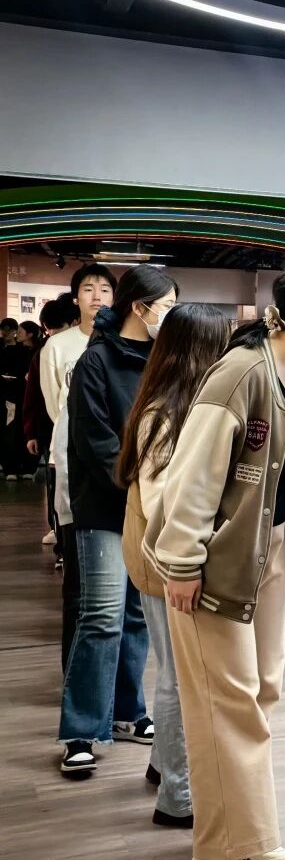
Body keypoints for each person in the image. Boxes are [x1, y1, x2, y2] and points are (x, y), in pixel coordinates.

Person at [150, 261, 285, 860]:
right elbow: (192, 476)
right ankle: (250, 846)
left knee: (261, 691)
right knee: (231, 703)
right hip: (215, 559)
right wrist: (183, 564)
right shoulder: (241, 371)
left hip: (263, 550)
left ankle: (232, 840)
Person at [58, 264, 177, 775]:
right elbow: (95, 440)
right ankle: (81, 729)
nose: (169, 315)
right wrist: (140, 485)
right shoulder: (96, 361)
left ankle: (129, 712)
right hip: (107, 505)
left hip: (150, 506)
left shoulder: (164, 359)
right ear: (139, 307)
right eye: (165, 306)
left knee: (136, 616)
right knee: (102, 615)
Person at [117, 303, 230, 828]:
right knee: (179, 678)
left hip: (158, 558)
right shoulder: (166, 411)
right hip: (163, 563)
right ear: (199, 351)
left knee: (173, 671)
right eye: (220, 343)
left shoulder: (175, 402)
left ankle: (163, 765)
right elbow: (162, 499)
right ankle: (177, 799)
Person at [43, 265, 116, 633]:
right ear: (76, 298)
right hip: (69, 457)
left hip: (112, 460)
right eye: (88, 289)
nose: (97, 296)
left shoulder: (120, 343)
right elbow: (53, 404)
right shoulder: (58, 346)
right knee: (75, 559)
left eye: (104, 289)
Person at [26, 294, 78, 547]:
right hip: (52, 429)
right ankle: (58, 531)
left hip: (73, 428)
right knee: (56, 482)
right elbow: (35, 396)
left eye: (59, 327)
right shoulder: (45, 352)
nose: (54, 333)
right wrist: (31, 432)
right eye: (50, 329)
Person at [0, 318, 40, 479]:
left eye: (19, 331)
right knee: (12, 429)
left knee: (25, 429)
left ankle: (26, 466)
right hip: (13, 395)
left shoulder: (38, 351)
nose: (16, 334)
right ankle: (12, 467)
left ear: (29, 334)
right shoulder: (13, 350)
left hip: (27, 395)